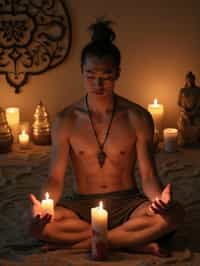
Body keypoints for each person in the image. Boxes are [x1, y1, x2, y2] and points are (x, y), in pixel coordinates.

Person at [30, 19, 185, 256]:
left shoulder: (137, 117)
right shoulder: (66, 120)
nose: (98, 83)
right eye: (91, 75)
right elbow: (55, 177)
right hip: (81, 205)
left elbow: (148, 175)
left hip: (129, 203)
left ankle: (91, 241)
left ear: (118, 73)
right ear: (81, 72)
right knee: (33, 223)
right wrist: (43, 205)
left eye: (106, 75)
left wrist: (159, 199)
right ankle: (131, 240)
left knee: (174, 215)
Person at [177, 72, 200, 145]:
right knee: (183, 123)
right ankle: (184, 140)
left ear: (194, 80)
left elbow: (199, 104)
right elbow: (179, 103)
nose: (189, 81)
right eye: (188, 80)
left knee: (197, 124)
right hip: (184, 112)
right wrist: (185, 111)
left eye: (191, 80)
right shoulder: (182, 90)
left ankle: (194, 140)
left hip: (196, 112)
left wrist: (193, 112)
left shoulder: (198, 90)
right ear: (186, 80)